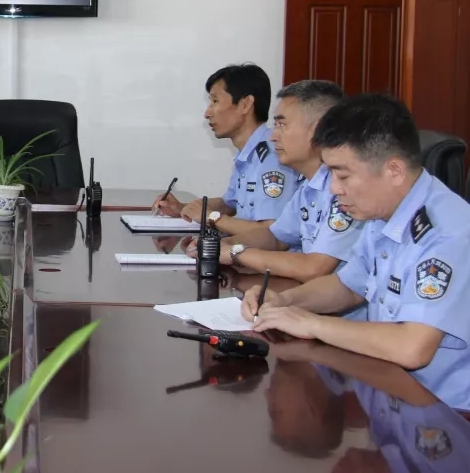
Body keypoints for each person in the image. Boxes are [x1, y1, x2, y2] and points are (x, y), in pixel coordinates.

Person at [245, 94, 470, 410]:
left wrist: (311, 323)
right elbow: (347, 286)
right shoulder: (383, 213)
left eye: (343, 175)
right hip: (390, 393)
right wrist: (284, 302)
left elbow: (412, 348)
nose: (334, 189)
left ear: (394, 170)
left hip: (445, 415)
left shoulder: (449, 233)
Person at [187, 80, 364, 284]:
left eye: (281, 125)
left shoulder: (343, 189)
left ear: (318, 129)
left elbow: (314, 268)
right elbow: (276, 237)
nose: (273, 136)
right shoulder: (310, 185)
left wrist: (235, 253)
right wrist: (219, 245)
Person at [154, 64, 301, 238]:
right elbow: (229, 204)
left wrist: (210, 217)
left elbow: (270, 232)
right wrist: (182, 208)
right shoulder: (247, 153)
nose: (207, 113)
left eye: (215, 101)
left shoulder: (272, 155)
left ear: (245, 104)